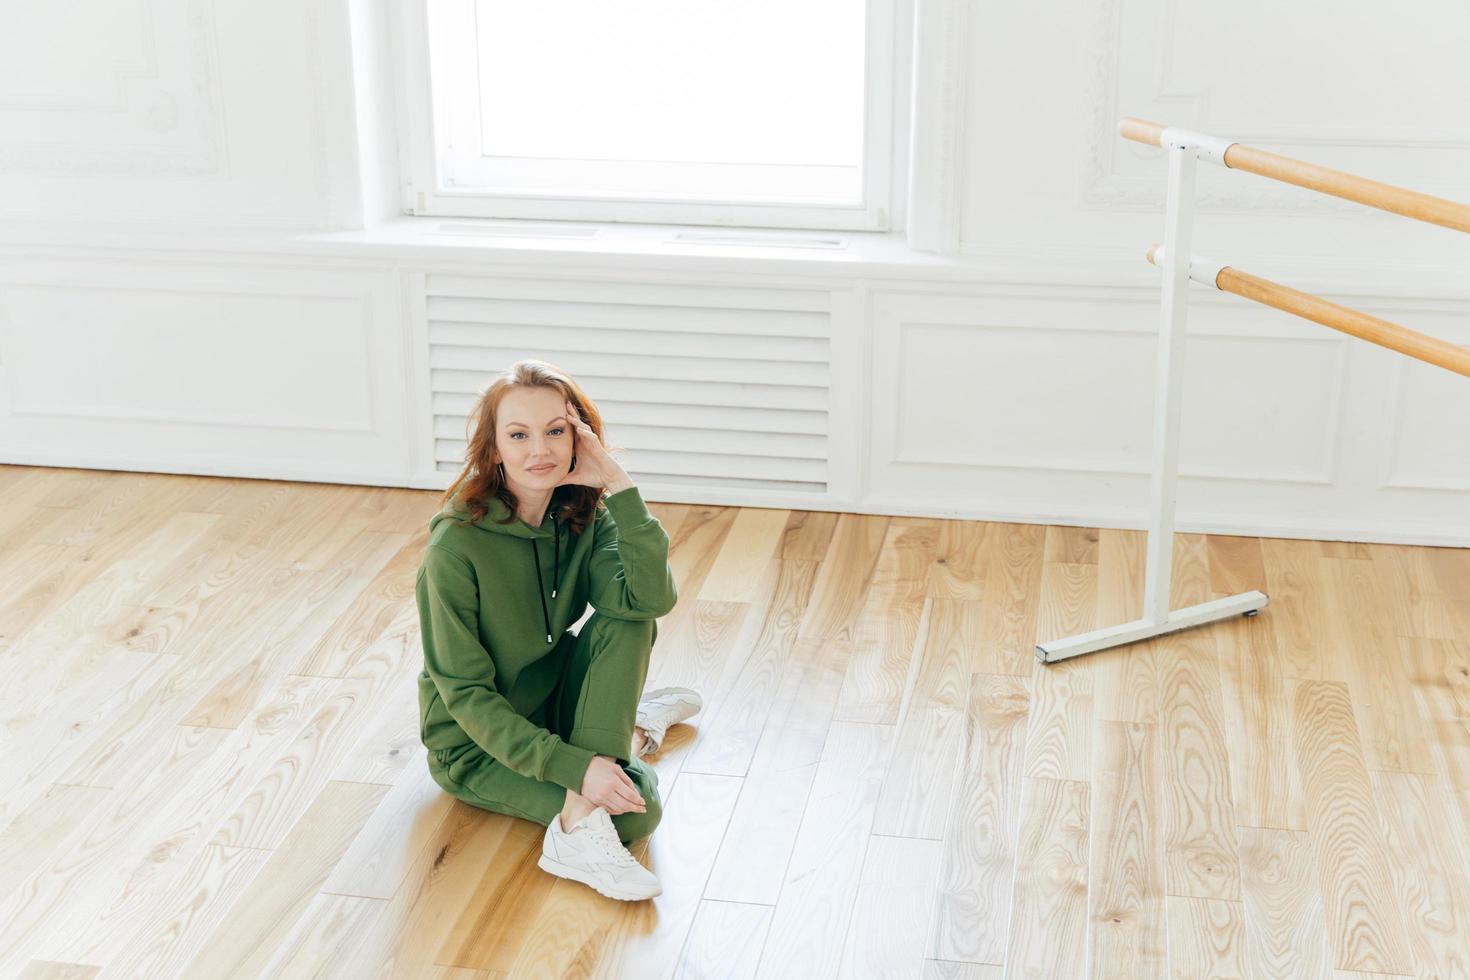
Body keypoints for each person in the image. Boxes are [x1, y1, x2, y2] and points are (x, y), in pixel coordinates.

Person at [415, 359, 702, 901]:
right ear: (494, 448)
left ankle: (615, 749)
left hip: (554, 703)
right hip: (477, 746)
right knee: (640, 812)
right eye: (518, 434)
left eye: (555, 431)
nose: (538, 450)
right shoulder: (455, 548)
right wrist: (576, 767)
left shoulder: (582, 512)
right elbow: (466, 695)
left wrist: (618, 485)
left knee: (629, 617)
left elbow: (649, 598)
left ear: (579, 438)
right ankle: (622, 749)